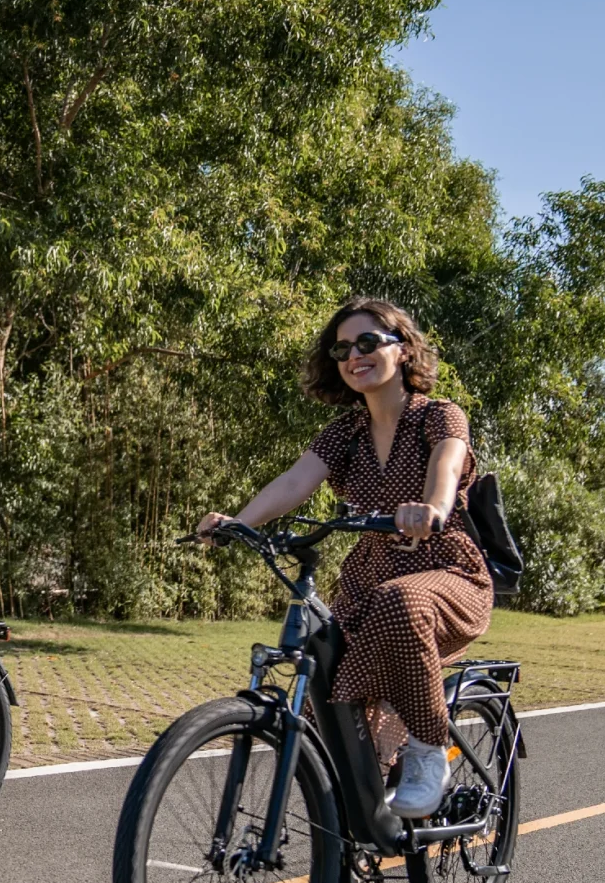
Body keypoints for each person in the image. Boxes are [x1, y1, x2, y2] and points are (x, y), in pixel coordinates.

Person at [196, 297, 491, 818]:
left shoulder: (439, 416)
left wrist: (431, 509)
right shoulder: (345, 433)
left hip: (445, 572)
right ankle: (349, 824)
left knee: (402, 602)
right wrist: (239, 522)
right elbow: (295, 482)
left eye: (369, 342)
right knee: (323, 680)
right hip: (368, 578)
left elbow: (447, 467)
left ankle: (427, 753)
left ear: (403, 351)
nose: (354, 354)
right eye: (343, 348)